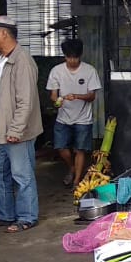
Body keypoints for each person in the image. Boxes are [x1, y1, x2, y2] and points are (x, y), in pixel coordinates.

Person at [0, 15, 43, 233]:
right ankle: (4, 214)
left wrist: (16, 129)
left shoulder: (22, 60)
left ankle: (27, 217)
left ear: (4, 33)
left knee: (21, 174)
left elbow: (25, 100)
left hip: (18, 129)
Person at [47, 38, 101, 189]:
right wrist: (58, 100)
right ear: (64, 56)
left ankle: (77, 180)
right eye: (69, 57)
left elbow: (92, 96)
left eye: (75, 57)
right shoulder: (56, 71)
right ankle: (71, 167)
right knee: (60, 147)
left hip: (83, 118)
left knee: (80, 149)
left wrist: (77, 96)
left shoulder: (89, 71)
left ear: (80, 55)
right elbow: (53, 95)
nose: (72, 60)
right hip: (63, 117)